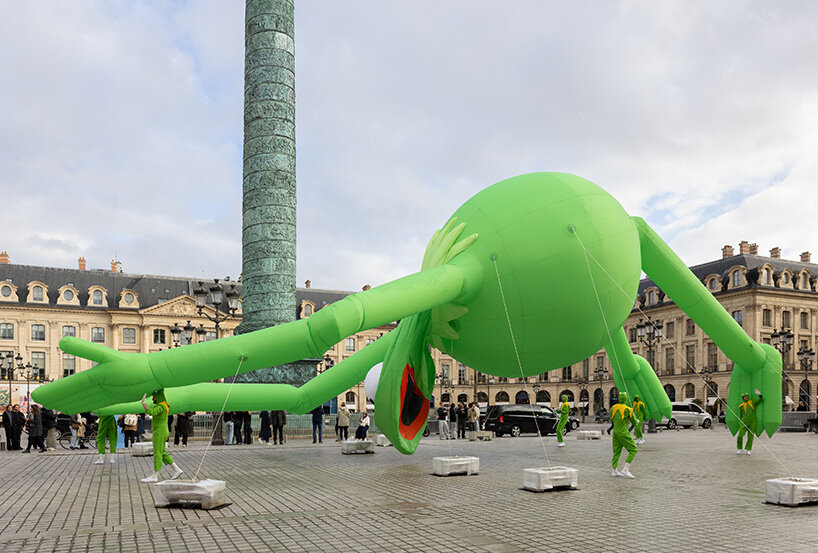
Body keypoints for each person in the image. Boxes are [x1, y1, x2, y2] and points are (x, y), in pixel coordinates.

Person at [140, 389, 183, 483]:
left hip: (159, 431)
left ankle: (154, 475)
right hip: (163, 430)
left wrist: (144, 404)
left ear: (158, 396)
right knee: (162, 452)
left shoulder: (160, 406)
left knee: (157, 452)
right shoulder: (165, 405)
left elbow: (152, 412)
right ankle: (177, 470)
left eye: (154, 397)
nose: (152, 399)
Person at [610, 392, 638, 478]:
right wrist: (637, 421)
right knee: (633, 449)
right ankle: (626, 469)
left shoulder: (613, 408)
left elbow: (612, 419)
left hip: (615, 432)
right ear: (625, 399)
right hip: (623, 432)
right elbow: (634, 422)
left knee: (616, 451)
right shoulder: (628, 409)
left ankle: (614, 470)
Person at [737, 389, 763, 455]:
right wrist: (740, 422)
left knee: (750, 436)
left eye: (747, 396)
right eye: (745, 397)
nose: (746, 397)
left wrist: (759, 395)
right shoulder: (741, 406)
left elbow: (760, 400)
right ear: (743, 398)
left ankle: (748, 449)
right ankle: (739, 448)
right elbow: (740, 415)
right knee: (740, 435)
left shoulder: (752, 402)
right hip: (744, 421)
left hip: (753, 421)